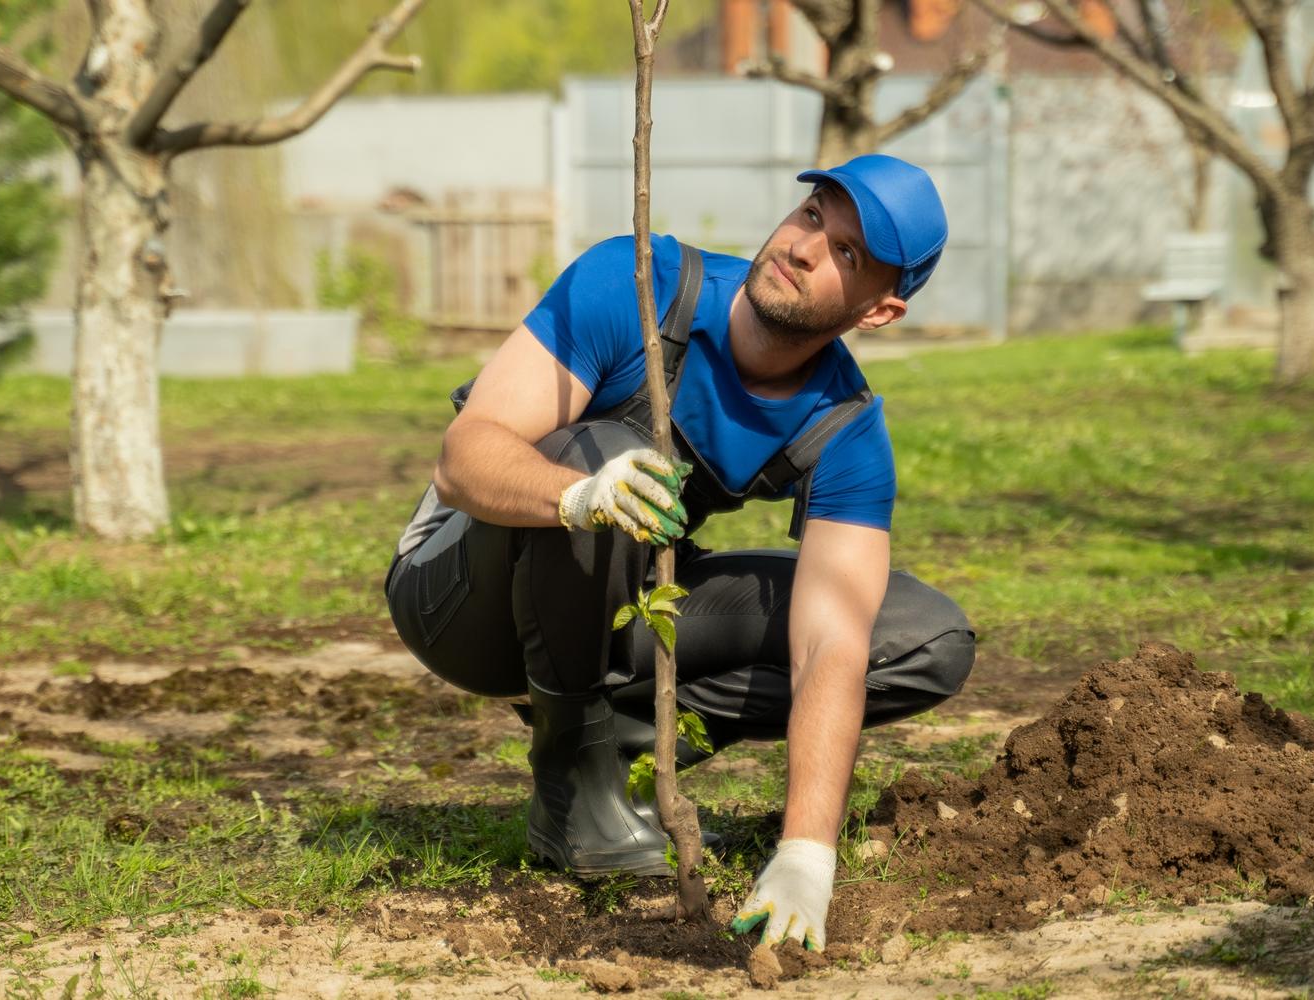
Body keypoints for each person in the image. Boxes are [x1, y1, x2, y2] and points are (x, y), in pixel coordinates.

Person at [385, 153, 975, 952]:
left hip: (608, 596)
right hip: (458, 593)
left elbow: (833, 637)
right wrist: (576, 496)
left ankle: (620, 739)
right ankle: (573, 777)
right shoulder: (638, 285)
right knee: (604, 451)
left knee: (923, 636)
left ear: (878, 311)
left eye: (846, 254)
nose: (803, 247)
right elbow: (463, 460)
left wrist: (807, 851)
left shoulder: (844, 429)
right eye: (813, 215)